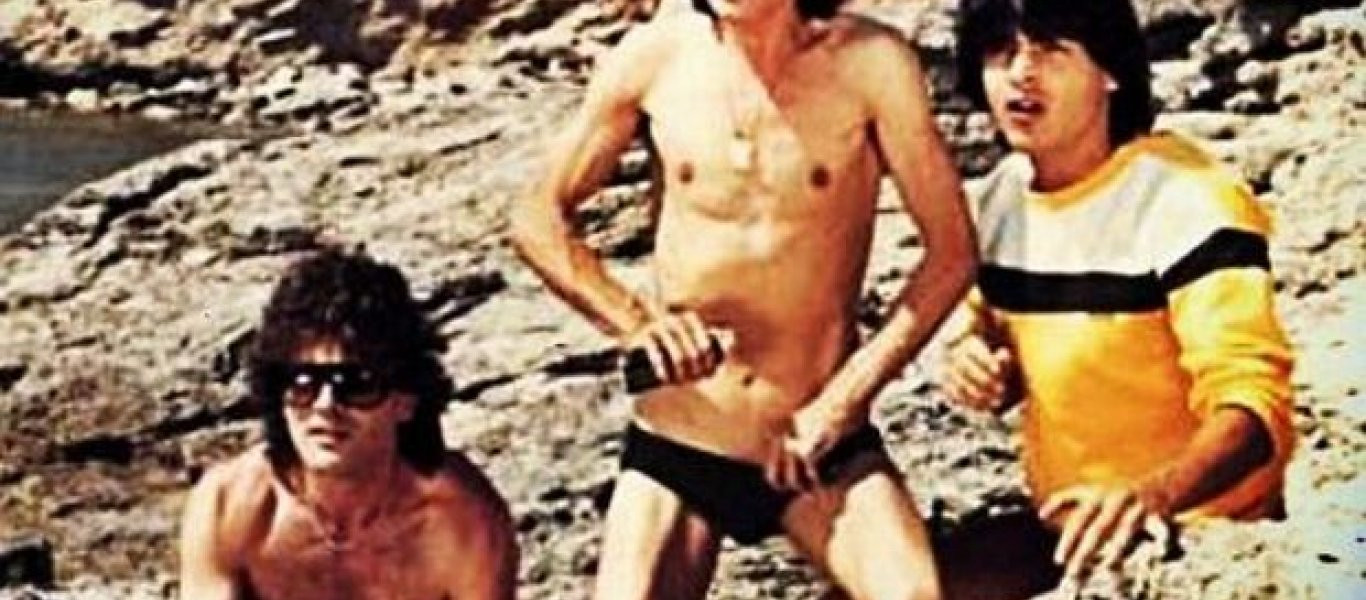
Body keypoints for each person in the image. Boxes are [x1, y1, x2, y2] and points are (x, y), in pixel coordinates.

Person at [511, 0, 977, 598]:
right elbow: (536, 217)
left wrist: (840, 403)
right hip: (680, 438)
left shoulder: (871, 64)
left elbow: (952, 251)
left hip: (816, 439)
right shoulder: (653, 58)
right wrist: (637, 323)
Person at [937, 0, 1296, 597]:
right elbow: (997, 324)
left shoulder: (1188, 199)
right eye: (1002, 52)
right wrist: (973, 354)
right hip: (1066, 528)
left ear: (1110, 71)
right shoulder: (1002, 197)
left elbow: (1253, 412)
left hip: (1196, 535)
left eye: (1051, 51)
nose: (1022, 73)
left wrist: (1151, 497)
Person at [179, 249, 517, 599]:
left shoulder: (459, 523)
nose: (325, 405)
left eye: (357, 385)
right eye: (303, 383)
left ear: (405, 401)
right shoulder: (231, 505)